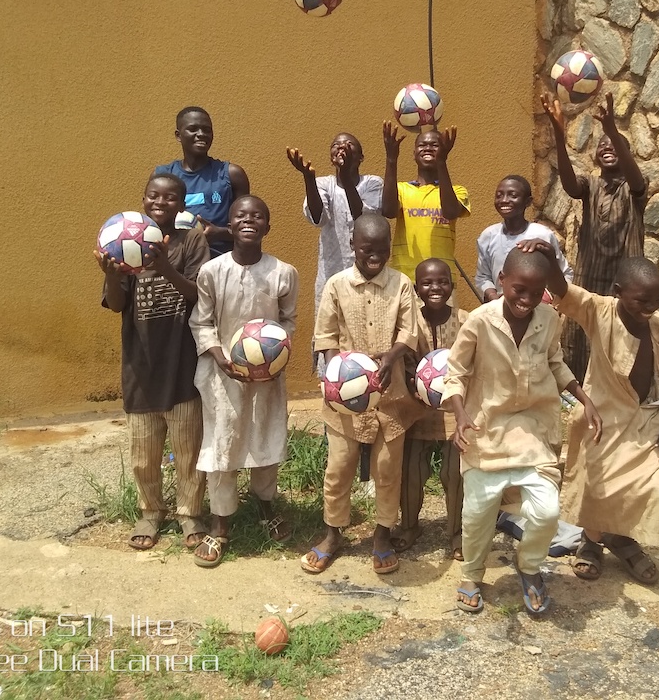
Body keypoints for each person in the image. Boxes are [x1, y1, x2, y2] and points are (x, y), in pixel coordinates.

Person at [440, 249, 602, 616]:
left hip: (533, 431)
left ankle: (529, 566)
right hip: (485, 431)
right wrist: (460, 414)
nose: (526, 300)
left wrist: (583, 398)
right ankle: (472, 574)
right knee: (478, 512)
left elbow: (555, 362)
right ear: (501, 281)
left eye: (535, 291)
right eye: (518, 290)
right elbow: (456, 373)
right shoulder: (479, 321)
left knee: (546, 512)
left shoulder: (548, 318)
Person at [519, 239, 659, 585]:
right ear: (618, 292)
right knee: (598, 486)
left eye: (657, 300)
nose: (651, 308)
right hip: (603, 418)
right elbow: (564, 291)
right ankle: (594, 541)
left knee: (656, 489)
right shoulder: (599, 311)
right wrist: (549, 258)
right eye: (642, 301)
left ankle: (622, 539)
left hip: (647, 419)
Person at [96, 171, 209, 552]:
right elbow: (116, 305)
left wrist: (164, 268)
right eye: (153, 196)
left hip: (182, 365)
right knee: (144, 453)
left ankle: (190, 513)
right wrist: (112, 276)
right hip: (140, 367)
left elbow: (198, 295)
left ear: (182, 204)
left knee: (188, 449)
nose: (160, 203)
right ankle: (150, 511)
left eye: (170, 198)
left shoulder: (191, 241)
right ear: (143, 200)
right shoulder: (124, 245)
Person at [304, 214, 421, 576]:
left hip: (390, 393)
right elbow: (325, 336)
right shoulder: (337, 285)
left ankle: (382, 534)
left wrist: (392, 357)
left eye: (382, 249)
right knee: (339, 467)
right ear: (353, 245)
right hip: (345, 398)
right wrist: (338, 374)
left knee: (388, 468)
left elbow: (409, 331)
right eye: (367, 248)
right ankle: (333, 533)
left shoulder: (401, 284)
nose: (375, 256)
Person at [188, 195, 299, 568]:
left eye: (257, 216)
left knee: (265, 436)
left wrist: (277, 356)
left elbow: (288, 320)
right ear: (230, 225)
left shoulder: (284, 273)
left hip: (267, 375)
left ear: (268, 225)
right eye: (241, 215)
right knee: (224, 442)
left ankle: (266, 506)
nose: (249, 220)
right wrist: (221, 357)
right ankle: (220, 525)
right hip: (223, 375)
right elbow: (201, 321)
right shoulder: (212, 272)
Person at [542, 91, 648, 382]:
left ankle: (619, 387)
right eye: (602, 145)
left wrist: (611, 129)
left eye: (615, 145)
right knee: (580, 334)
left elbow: (636, 179)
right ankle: (578, 390)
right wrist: (559, 135)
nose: (607, 147)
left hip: (623, 280)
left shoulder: (635, 188)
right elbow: (569, 186)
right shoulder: (590, 185)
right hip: (590, 276)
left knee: (620, 335)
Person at [392, 258, 469, 559]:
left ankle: (457, 532)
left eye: (442, 282)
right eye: (427, 283)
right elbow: (404, 360)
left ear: (452, 285)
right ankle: (409, 525)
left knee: (454, 473)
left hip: (454, 409)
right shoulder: (409, 324)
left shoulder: (466, 320)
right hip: (418, 409)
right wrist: (415, 384)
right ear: (416, 288)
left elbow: (474, 358)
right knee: (412, 470)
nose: (435, 288)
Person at [287, 133, 384, 307]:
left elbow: (364, 220)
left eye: (349, 144)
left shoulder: (372, 183)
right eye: (335, 145)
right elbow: (318, 219)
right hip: (330, 275)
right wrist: (308, 179)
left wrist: (345, 177)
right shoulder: (323, 184)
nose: (341, 146)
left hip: (366, 276)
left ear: (361, 157)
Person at [381, 122, 470, 283]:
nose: (428, 148)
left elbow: (450, 212)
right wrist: (391, 159)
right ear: (414, 154)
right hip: (405, 278)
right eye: (422, 145)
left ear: (444, 150)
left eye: (435, 145)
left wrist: (442, 162)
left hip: (441, 281)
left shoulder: (457, 191)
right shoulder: (401, 189)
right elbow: (388, 211)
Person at [157, 106, 251, 258]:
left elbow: (248, 228)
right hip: (175, 265)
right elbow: (153, 226)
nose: (201, 134)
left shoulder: (232, 174)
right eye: (193, 129)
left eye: (207, 130)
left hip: (220, 263)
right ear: (178, 135)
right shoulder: (163, 177)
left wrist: (219, 233)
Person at [474, 174, 572, 303]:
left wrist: (549, 299)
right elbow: (483, 277)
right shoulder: (488, 236)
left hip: (537, 306)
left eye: (513, 195)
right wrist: (494, 297)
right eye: (499, 195)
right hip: (500, 307)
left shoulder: (542, 235)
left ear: (528, 202)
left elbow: (564, 273)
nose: (504, 200)